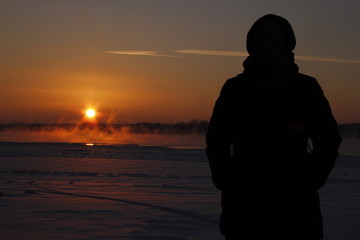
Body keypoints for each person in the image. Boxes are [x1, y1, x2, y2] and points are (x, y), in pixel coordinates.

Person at [206, 14, 342, 240]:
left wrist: (310, 181)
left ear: (285, 45)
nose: (265, 47)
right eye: (259, 41)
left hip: (295, 205)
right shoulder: (235, 88)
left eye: (272, 42)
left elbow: (328, 139)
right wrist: (225, 179)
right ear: (251, 45)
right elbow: (217, 139)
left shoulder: (305, 88)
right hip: (244, 202)